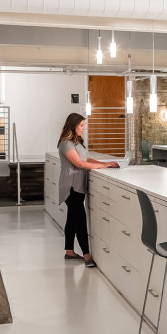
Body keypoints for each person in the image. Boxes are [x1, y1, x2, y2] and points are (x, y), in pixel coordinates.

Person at [57, 113, 120, 267]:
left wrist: (106, 163)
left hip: (77, 186)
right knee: (80, 220)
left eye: (84, 125)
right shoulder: (66, 143)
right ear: (73, 125)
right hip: (70, 186)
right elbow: (80, 164)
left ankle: (69, 252)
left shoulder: (77, 142)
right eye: (81, 126)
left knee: (72, 219)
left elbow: (87, 160)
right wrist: (104, 166)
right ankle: (86, 255)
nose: (84, 129)